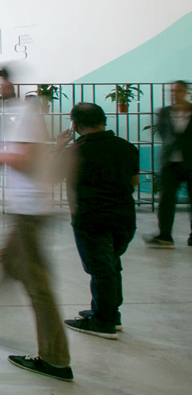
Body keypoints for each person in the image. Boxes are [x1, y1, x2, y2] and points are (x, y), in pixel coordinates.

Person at [0, 67, 72, 380]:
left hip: (30, 210)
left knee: (37, 284)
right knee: (8, 261)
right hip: (25, 209)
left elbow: (24, 160)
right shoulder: (16, 112)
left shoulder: (27, 113)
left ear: (8, 83)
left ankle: (55, 358)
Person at [59, 102, 139, 339]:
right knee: (112, 264)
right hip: (124, 217)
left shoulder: (76, 151)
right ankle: (109, 312)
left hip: (91, 219)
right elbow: (134, 182)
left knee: (100, 268)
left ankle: (103, 321)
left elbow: (51, 175)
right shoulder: (127, 147)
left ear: (74, 124)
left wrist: (59, 147)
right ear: (103, 120)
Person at [146, 80, 191, 248]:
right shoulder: (164, 112)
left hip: (191, 162)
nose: (174, 94)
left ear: (185, 92)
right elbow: (164, 134)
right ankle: (164, 236)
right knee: (166, 201)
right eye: (172, 91)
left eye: (178, 91)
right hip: (170, 163)